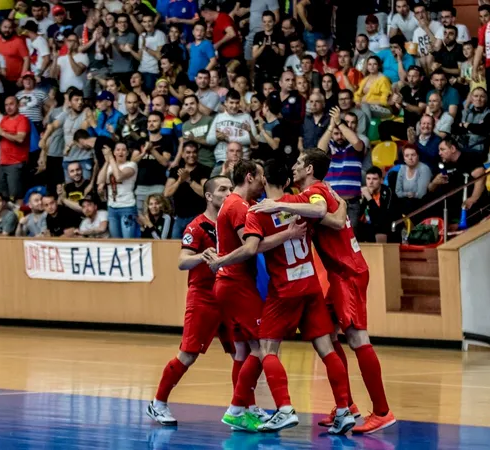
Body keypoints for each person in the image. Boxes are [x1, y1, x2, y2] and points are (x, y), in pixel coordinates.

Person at [250, 149, 396, 434]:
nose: (294, 167)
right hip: (337, 272)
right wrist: (339, 203)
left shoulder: (313, 193)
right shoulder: (316, 192)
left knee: (356, 337)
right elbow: (332, 215)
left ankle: (382, 411)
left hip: (347, 272)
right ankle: (347, 406)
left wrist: (282, 207)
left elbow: (326, 215)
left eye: (299, 163)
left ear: (310, 169)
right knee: (327, 337)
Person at [215, 160, 357, 434]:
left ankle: (284, 408)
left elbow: (252, 247)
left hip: (285, 290)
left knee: (267, 349)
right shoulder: (301, 201)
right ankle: (344, 409)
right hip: (311, 285)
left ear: (264, 179)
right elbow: (325, 214)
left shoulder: (258, 212)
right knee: (326, 348)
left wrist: (220, 260)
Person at [207, 160, 292, 432]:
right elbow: (251, 247)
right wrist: (288, 234)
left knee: (243, 350)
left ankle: (243, 409)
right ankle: (236, 409)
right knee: (262, 346)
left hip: (229, 284)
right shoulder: (239, 207)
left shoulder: (230, 204)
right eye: (261, 177)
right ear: (249, 177)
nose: (263, 183)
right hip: (237, 284)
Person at [146, 176, 237, 426]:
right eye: (223, 189)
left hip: (228, 296)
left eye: (231, 188)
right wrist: (201, 256)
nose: (229, 192)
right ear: (209, 196)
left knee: (240, 352)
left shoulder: (232, 222)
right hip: (204, 297)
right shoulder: (197, 226)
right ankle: (158, 403)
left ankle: (242, 407)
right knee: (188, 354)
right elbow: (181, 261)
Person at [317, 108, 364, 228]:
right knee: (332, 239)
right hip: (332, 203)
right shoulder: (329, 148)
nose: (339, 137)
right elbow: (320, 150)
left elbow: (356, 142)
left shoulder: (356, 146)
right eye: (336, 134)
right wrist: (331, 127)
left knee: (351, 239)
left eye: (341, 133)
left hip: (352, 203)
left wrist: (339, 123)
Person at [164, 141, 210, 238]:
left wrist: (189, 180)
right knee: (175, 247)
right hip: (179, 217)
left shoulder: (203, 169)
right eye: (188, 152)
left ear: (197, 154)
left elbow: (206, 193)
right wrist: (179, 181)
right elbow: (167, 193)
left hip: (198, 217)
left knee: (196, 247)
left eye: (194, 152)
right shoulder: (176, 170)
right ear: (182, 154)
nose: (191, 155)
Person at [0, 96, 30, 203]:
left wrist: (1, 132)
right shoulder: (4, 119)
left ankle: (19, 219)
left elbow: (20, 139)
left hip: (16, 163)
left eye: (11, 104)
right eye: (6, 105)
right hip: (3, 163)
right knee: (3, 197)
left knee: (16, 197)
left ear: (18, 105)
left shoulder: (22, 119)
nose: (8, 107)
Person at [98, 142, 138, 238]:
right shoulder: (109, 165)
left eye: (123, 150)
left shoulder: (132, 165)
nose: (121, 152)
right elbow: (100, 180)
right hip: (112, 207)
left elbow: (119, 177)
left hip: (127, 207)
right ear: (114, 152)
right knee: (116, 241)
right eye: (118, 149)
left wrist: (111, 158)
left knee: (127, 240)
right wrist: (107, 162)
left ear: (128, 153)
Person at [356, 167, 395, 243]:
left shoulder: (387, 192)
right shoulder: (363, 192)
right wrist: (363, 200)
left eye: (374, 179)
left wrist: (369, 198)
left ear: (381, 180)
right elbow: (359, 216)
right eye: (368, 179)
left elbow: (382, 217)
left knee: (380, 228)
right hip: (367, 227)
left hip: (386, 228)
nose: (371, 182)